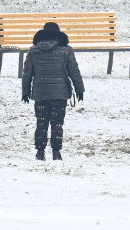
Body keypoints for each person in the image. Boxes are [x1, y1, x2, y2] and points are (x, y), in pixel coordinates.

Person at [21, 21, 84, 160]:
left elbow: (27, 74)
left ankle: (40, 151)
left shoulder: (34, 50)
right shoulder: (66, 50)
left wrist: (25, 92)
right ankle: (56, 152)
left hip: (40, 93)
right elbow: (74, 71)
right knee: (57, 123)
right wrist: (80, 89)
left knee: (41, 122)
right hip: (60, 93)